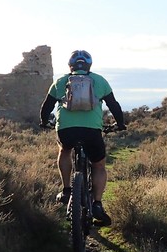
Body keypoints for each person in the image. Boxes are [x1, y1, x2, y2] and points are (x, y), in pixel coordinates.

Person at [40, 49, 126, 225]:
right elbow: (114, 106)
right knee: (99, 165)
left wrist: (43, 121)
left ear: (70, 65)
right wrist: (120, 124)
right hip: (92, 131)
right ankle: (97, 204)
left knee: (64, 150)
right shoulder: (99, 81)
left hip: (66, 130)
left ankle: (66, 190)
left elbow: (46, 107)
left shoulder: (61, 81)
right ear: (89, 65)